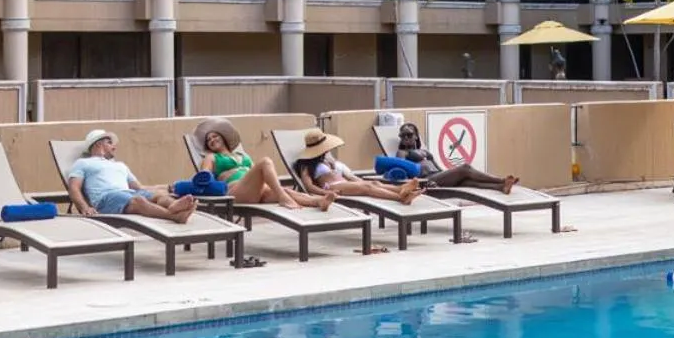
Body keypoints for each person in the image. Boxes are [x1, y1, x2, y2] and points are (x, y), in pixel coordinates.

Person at [194, 118, 333, 210]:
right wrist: (224, 175)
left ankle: (319, 202)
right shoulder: (211, 157)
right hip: (234, 193)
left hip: (255, 191)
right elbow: (204, 178)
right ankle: (283, 198)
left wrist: (244, 169)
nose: (212, 140)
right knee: (265, 162)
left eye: (214, 136)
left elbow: (257, 174)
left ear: (223, 137)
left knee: (287, 191)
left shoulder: (242, 155)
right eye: (208, 140)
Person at [66, 129, 198, 222]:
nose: (114, 147)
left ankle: (174, 206)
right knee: (138, 201)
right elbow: (74, 188)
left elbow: (139, 187)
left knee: (158, 196)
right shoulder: (83, 163)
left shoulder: (120, 165)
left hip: (128, 193)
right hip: (106, 199)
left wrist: (166, 188)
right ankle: (173, 216)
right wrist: (85, 207)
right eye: (110, 143)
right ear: (99, 144)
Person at [294, 129, 422, 204]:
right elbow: (309, 186)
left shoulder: (326, 158)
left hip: (343, 183)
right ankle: (400, 197)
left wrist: (332, 163)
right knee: (367, 187)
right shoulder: (306, 164)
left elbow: (344, 174)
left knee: (374, 183)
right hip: (333, 187)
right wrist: (326, 193)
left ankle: (402, 189)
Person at [392, 121, 519, 194]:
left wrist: (447, 176)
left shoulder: (424, 151)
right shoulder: (402, 153)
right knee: (465, 168)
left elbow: (439, 168)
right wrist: (420, 184)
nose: (406, 138)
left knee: (467, 182)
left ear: (416, 136)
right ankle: (501, 180)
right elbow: (403, 172)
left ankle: (501, 187)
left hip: (438, 176)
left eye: (409, 135)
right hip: (426, 180)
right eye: (402, 136)